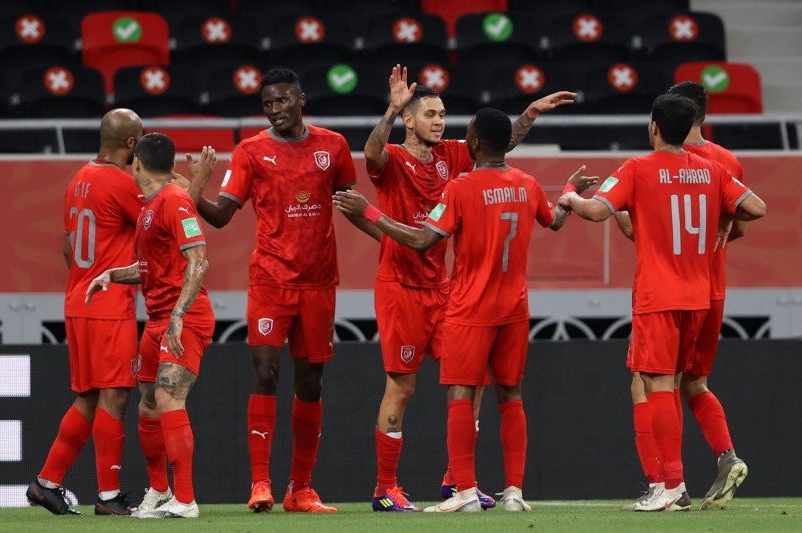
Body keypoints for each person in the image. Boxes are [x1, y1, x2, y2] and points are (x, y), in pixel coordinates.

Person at [335, 107, 584, 512]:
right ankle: (386, 488)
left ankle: (459, 484)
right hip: (405, 289)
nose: (440, 121)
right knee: (406, 388)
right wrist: (392, 108)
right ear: (410, 122)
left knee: (469, 387)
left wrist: (368, 211)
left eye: (445, 115)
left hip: (452, 294)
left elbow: (423, 237)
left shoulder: (455, 167)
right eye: (430, 114)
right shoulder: (400, 158)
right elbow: (373, 153)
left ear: (470, 143)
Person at [558, 94, 766, 512]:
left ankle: (669, 486)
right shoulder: (712, 169)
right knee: (679, 382)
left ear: (654, 126)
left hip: (658, 295)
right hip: (700, 295)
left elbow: (597, 212)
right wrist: (722, 221)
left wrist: (569, 196)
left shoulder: (637, 167)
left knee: (655, 383)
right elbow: (757, 208)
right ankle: (681, 480)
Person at [187, 66, 379, 513]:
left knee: (310, 383)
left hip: (318, 283)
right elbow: (219, 216)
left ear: (301, 100)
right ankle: (260, 484)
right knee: (266, 371)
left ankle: (301, 488)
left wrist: (389, 238)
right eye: (268, 104)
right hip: (270, 280)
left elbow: (351, 205)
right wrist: (195, 188)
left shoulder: (332, 147)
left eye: (282, 101)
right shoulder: (251, 152)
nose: (275, 110)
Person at [619, 81, 751, 511]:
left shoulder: (661, 162)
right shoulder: (725, 161)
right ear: (703, 114)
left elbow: (644, 231)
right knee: (694, 381)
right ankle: (726, 455)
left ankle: (664, 483)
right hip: (711, 289)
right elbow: (744, 221)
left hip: (668, 287)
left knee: (649, 382)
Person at [86, 132, 217, 519]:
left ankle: (186, 500)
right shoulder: (151, 206)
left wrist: (178, 316)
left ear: (138, 164)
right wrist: (113, 273)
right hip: (157, 319)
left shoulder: (175, 201)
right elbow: (149, 268)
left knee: (167, 400)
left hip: (184, 317)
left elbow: (199, 262)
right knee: (147, 407)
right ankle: (159, 492)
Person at [26, 108, 144, 516]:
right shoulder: (123, 184)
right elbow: (158, 225)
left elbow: (66, 246)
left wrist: (87, 277)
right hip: (109, 306)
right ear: (131, 144)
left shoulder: (79, 179)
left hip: (78, 301)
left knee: (90, 396)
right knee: (115, 396)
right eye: (139, 140)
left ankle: (46, 482)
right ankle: (109, 497)